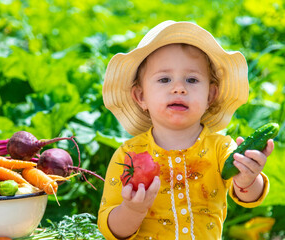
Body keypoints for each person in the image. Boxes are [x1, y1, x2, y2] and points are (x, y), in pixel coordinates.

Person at [97, 20, 274, 240]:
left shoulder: (221, 148)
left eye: (192, 79)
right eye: (164, 79)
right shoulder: (128, 156)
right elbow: (111, 229)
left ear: (210, 96)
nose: (179, 88)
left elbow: (248, 197)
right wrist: (133, 210)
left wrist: (248, 179)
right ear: (141, 97)